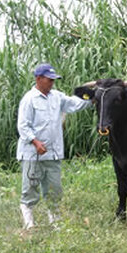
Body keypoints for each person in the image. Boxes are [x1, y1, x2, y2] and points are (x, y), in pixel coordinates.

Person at [16, 63, 91, 230]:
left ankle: (55, 223)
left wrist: (94, 98)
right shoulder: (29, 99)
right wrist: (35, 142)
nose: (51, 83)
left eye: (53, 80)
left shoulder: (57, 97)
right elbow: (23, 126)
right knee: (30, 188)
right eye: (49, 80)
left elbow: (74, 104)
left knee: (54, 190)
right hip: (32, 154)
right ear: (38, 79)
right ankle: (29, 225)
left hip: (53, 153)